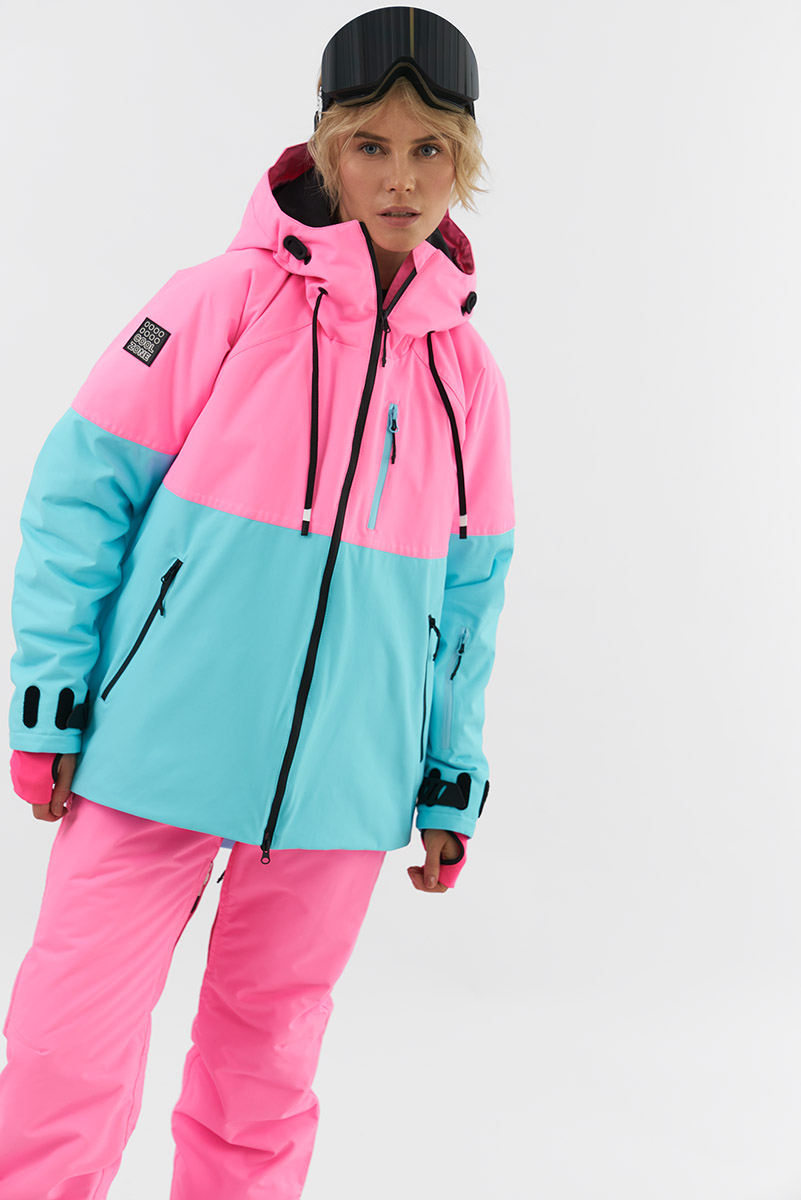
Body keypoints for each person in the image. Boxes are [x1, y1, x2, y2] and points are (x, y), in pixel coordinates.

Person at [0, 6, 515, 1197]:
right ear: (329, 148)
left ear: (463, 165)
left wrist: (450, 773)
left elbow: (472, 597)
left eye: (429, 150)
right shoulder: (219, 301)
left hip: (345, 782)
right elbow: (81, 497)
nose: (400, 179)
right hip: (153, 748)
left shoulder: (467, 377)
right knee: (66, 1049)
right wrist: (50, 701)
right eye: (372, 146)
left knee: (265, 1073)